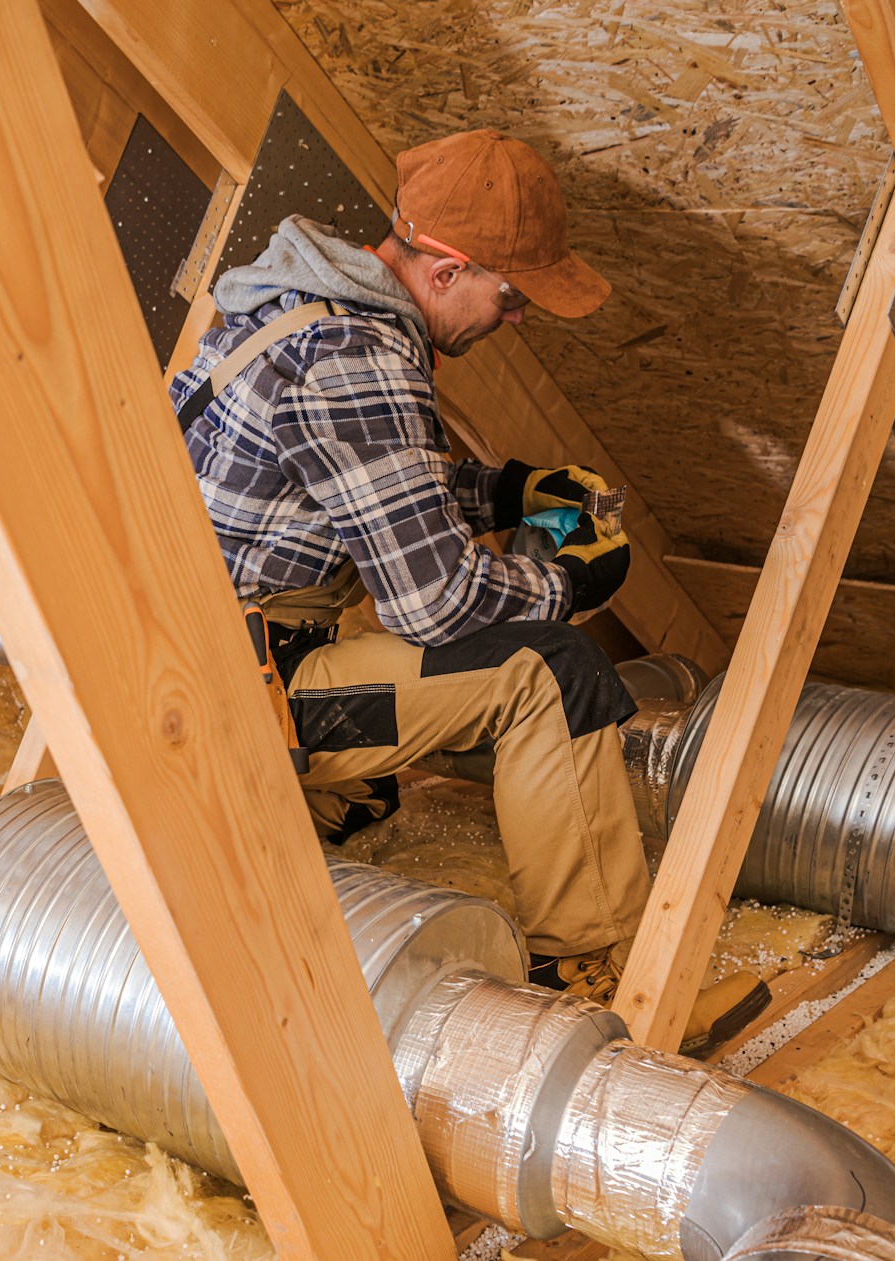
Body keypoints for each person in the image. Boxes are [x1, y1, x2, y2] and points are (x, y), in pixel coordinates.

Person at [170, 129, 767, 1054]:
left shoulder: (298, 307)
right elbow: (437, 603)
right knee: (551, 670)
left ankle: (311, 813)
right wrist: (570, 582)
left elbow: (365, 484)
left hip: (191, 652)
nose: (517, 317)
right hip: (239, 696)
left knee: (380, 779)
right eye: (512, 293)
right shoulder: (358, 357)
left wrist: (508, 487)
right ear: (446, 270)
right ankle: (605, 980)